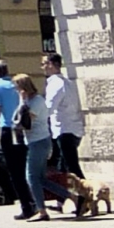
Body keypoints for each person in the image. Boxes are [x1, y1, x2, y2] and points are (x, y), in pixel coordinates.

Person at [0, 58, 30, 218]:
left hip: (9, 130)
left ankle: (27, 206)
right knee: (26, 168)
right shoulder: (15, 84)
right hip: (23, 130)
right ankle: (35, 202)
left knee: (15, 171)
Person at [12, 72, 53, 222]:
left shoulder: (36, 101)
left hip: (39, 141)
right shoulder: (28, 101)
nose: (15, 90)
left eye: (16, 87)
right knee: (41, 178)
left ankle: (42, 211)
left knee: (31, 177)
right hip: (35, 141)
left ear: (23, 86)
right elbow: (16, 118)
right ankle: (74, 197)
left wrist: (22, 102)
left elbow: (24, 122)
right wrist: (21, 102)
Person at [39, 51, 84, 180]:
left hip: (64, 130)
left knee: (71, 167)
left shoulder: (55, 84)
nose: (42, 67)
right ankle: (64, 197)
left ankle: (87, 194)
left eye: (44, 64)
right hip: (73, 128)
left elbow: (49, 108)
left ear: (51, 65)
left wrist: (35, 120)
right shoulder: (68, 83)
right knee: (62, 167)